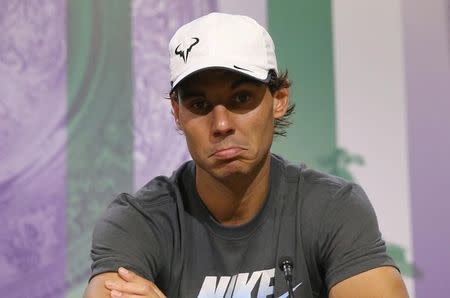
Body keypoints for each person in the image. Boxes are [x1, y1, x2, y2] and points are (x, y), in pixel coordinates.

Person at [83, 12, 408, 298]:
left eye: (240, 98)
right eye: (199, 105)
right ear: (177, 113)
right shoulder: (139, 221)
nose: (221, 124)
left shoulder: (333, 209)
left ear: (278, 99)